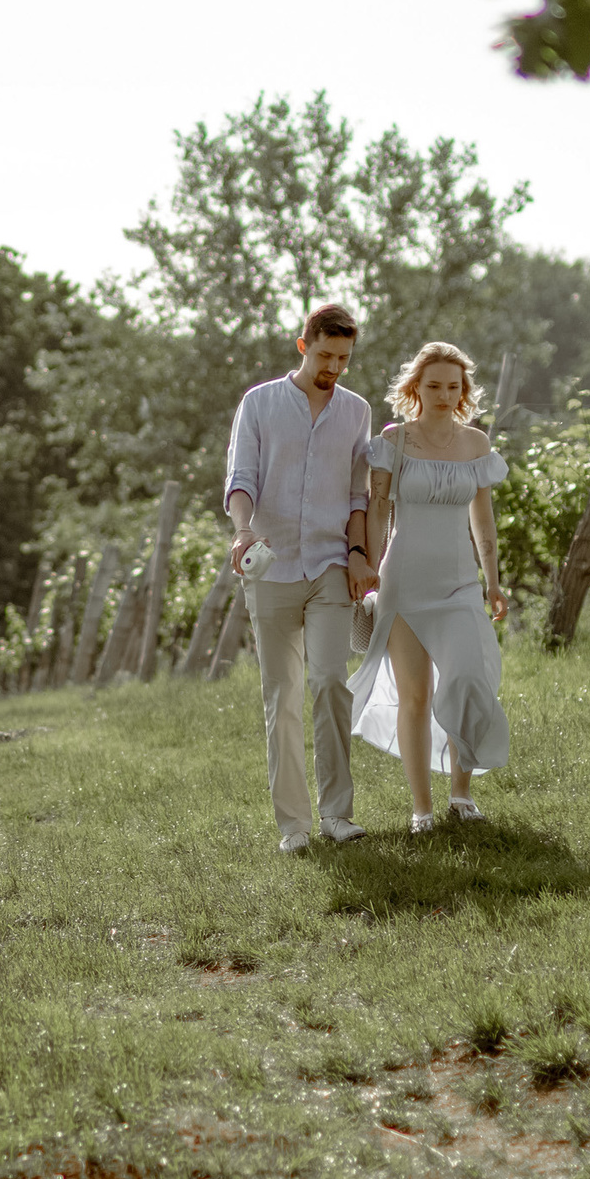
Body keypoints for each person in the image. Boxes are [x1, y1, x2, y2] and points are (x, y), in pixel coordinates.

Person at [224, 302, 378, 854]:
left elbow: (359, 494)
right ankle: (294, 826)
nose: (334, 366)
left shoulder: (356, 411)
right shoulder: (260, 404)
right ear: (303, 345)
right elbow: (241, 478)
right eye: (326, 354)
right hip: (271, 569)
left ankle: (338, 814)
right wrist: (243, 531)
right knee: (282, 695)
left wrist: (359, 552)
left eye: (344, 357)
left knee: (330, 682)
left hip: (331, 565)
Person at [348, 344, 511, 830]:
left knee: (467, 679)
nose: (444, 394)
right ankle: (422, 809)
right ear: (416, 387)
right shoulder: (393, 442)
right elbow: (378, 510)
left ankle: (462, 795)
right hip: (403, 583)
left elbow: (483, 521)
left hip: (459, 583)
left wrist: (493, 582)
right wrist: (369, 567)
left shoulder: (477, 445)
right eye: (434, 385)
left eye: (453, 386)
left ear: (464, 392)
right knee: (414, 695)